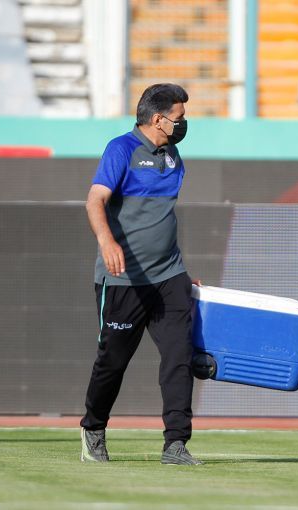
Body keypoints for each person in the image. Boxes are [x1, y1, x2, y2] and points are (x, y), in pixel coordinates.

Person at [80, 83, 201, 465]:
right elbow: (95, 200)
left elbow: (161, 220)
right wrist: (107, 242)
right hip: (123, 279)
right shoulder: (121, 149)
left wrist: (182, 272)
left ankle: (176, 444)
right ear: (158, 119)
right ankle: (93, 428)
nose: (183, 124)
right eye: (179, 118)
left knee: (180, 357)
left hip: (169, 276)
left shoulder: (173, 155)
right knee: (112, 361)